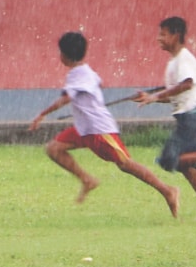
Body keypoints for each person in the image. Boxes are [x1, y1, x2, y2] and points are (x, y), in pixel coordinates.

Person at [29, 31, 178, 217]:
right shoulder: (87, 71)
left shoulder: (76, 74)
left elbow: (65, 98)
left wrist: (42, 114)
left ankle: (167, 190)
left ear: (65, 55)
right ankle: (87, 180)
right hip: (85, 128)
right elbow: (99, 84)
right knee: (54, 149)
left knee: (125, 164)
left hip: (99, 129)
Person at [131, 16, 196, 217]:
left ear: (176, 35)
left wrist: (156, 96)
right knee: (185, 164)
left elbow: (186, 84)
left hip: (190, 116)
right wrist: (151, 98)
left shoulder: (183, 59)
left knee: (168, 159)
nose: (159, 39)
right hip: (188, 116)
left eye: (163, 34)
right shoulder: (175, 61)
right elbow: (176, 95)